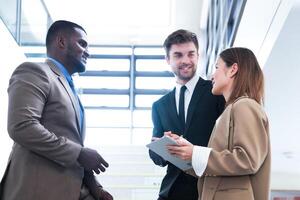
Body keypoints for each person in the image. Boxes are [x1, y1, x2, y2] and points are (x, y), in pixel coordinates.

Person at [0, 20, 113, 200]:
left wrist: (96, 188)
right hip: (38, 192)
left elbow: (72, 145)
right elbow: (22, 126)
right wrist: (79, 153)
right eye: (82, 43)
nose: (88, 52)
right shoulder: (35, 71)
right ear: (61, 42)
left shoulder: (71, 90)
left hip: (72, 189)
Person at [167, 47, 271, 200]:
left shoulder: (244, 106)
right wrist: (184, 150)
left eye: (216, 67)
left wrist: (195, 153)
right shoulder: (232, 109)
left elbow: (247, 160)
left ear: (232, 69)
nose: (211, 76)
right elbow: (221, 166)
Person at [149, 29, 225, 200]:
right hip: (171, 192)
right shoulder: (159, 106)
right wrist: (162, 146)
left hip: (207, 188)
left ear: (198, 56)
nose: (185, 61)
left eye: (191, 54)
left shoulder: (216, 93)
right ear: (167, 60)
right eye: (178, 55)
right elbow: (156, 157)